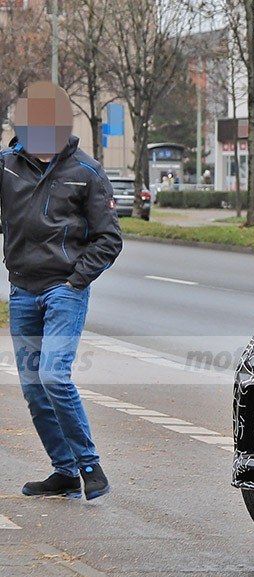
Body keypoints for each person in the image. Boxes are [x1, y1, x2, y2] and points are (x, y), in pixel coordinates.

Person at [2, 81, 123, 500]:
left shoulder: (85, 173)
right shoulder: (7, 167)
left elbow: (109, 239)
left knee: (53, 374)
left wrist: (76, 280)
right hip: (22, 291)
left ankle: (90, 466)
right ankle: (64, 470)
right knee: (34, 386)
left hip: (63, 290)